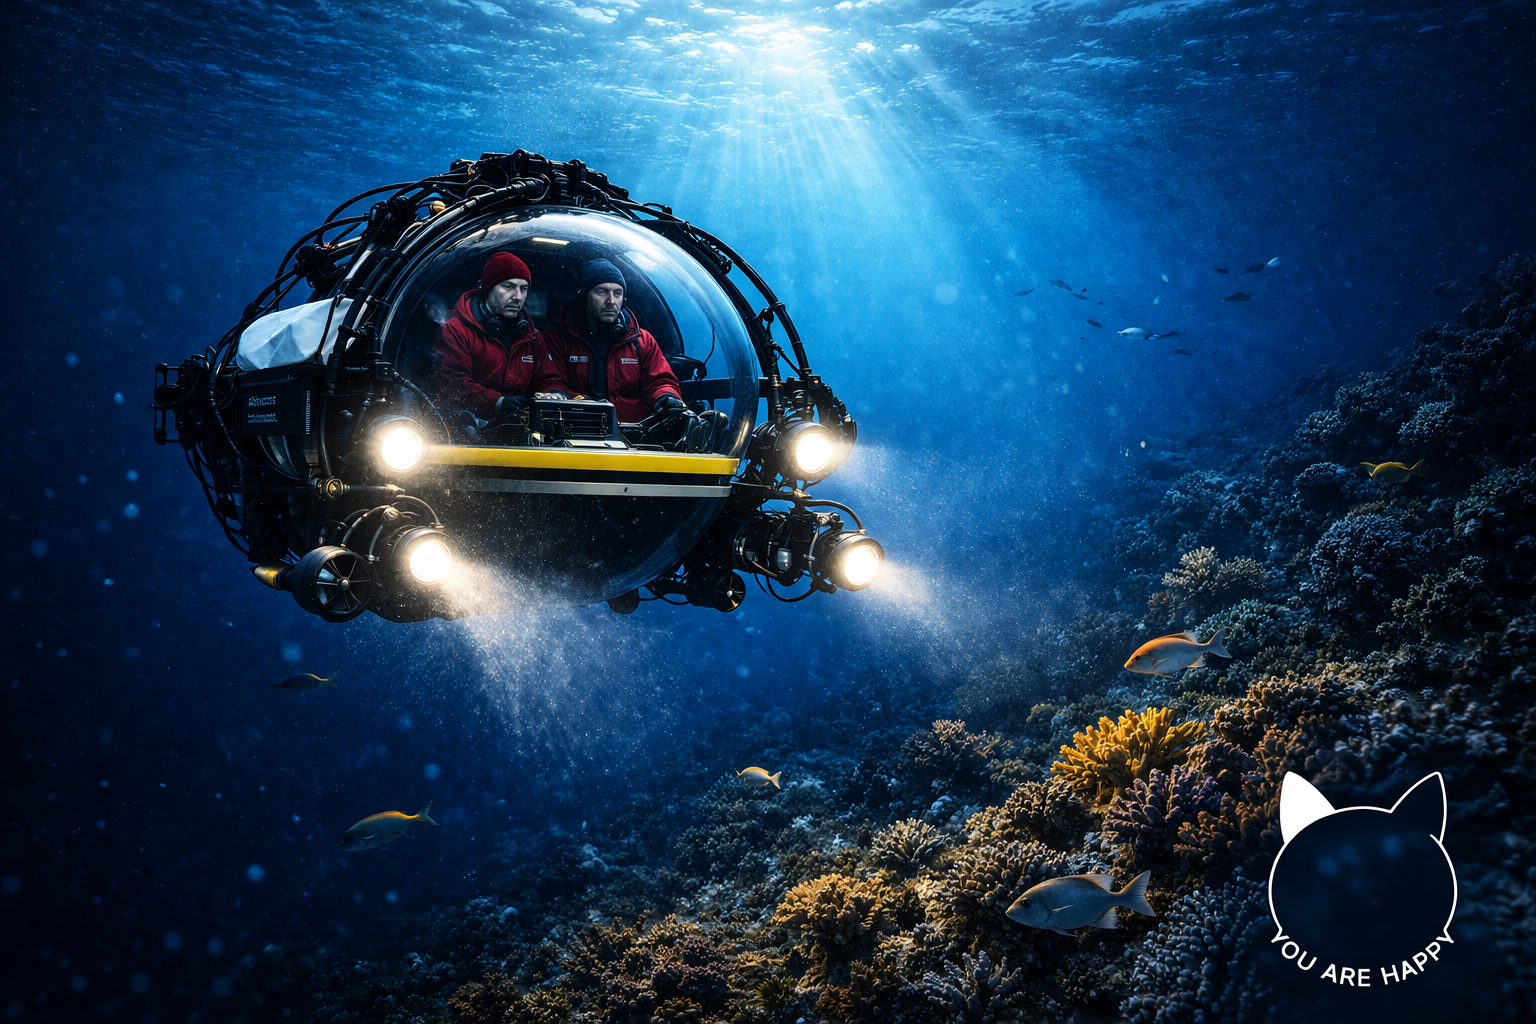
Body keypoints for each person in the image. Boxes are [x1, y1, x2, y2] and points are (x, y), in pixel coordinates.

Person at [533, 259, 688, 427]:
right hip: (575, 430)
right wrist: (579, 402)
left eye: (618, 293)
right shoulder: (555, 339)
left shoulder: (642, 341)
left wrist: (666, 398)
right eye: (602, 292)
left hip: (634, 433)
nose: (611, 301)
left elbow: (659, 382)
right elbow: (549, 382)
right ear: (583, 297)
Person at [433, 252, 543, 419]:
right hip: (467, 426)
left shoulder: (531, 336)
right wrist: (499, 403)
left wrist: (555, 392)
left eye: (524, 289)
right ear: (486, 288)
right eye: (508, 287)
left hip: (520, 426)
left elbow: (547, 378)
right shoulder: (455, 330)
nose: (518, 297)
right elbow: (453, 383)